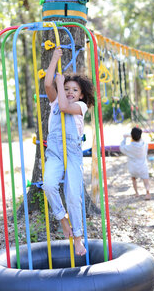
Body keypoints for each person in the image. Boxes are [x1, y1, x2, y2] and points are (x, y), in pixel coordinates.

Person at [43, 46, 95, 256]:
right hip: (55, 152)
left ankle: (78, 239)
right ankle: (63, 220)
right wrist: (55, 59)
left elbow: (65, 107)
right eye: (67, 89)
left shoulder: (80, 107)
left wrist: (60, 82)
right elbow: (48, 83)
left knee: (74, 195)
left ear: (81, 95)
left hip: (73, 153)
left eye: (74, 90)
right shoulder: (55, 100)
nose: (70, 92)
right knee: (48, 184)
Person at [120, 127, 151, 200]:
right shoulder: (144, 144)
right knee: (146, 180)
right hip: (143, 166)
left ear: (132, 136)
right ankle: (148, 193)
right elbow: (141, 140)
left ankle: (136, 192)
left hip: (133, 167)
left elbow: (122, 148)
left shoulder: (129, 147)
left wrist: (124, 138)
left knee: (133, 179)